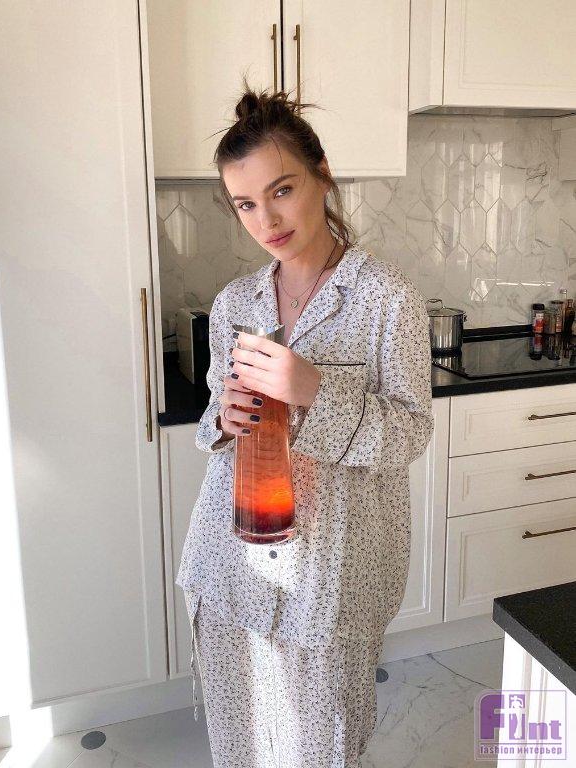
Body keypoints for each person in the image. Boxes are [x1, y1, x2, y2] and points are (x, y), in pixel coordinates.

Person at [175, 80, 434, 768]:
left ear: (322, 175)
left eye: (282, 190)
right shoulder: (235, 304)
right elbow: (214, 414)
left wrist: (315, 390)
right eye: (245, 203)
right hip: (232, 555)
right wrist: (223, 417)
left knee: (323, 745)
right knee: (243, 740)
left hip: (336, 573)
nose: (266, 218)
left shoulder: (388, 300)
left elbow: (411, 432)